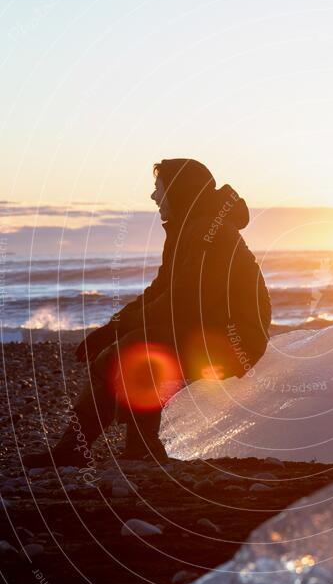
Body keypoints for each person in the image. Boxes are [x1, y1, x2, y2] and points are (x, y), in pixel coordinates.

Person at [24, 159, 271, 469]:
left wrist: (117, 331)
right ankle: (89, 447)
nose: (154, 197)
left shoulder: (207, 231)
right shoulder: (189, 228)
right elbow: (160, 291)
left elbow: (181, 303)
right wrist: (113, 327)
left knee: (133, 350)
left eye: (159, 189)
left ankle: (131, 447)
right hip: (208, 328)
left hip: (235, 339)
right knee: (123, 350)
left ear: (180, 191)